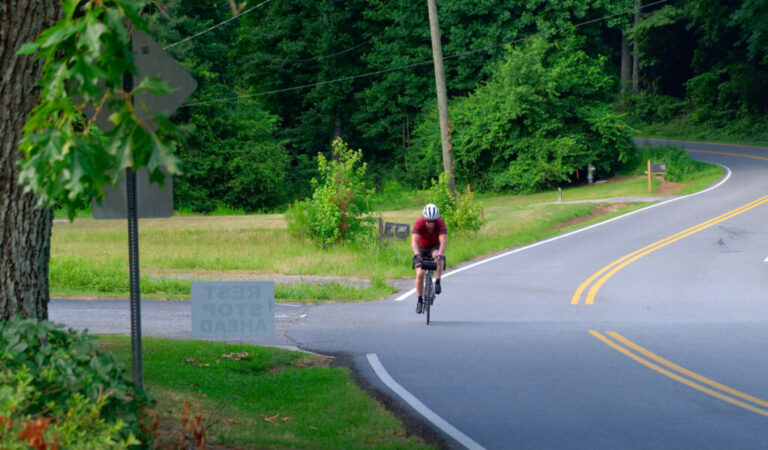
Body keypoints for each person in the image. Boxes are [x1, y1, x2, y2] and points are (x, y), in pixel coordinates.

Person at [412, 203, 447, 314]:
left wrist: (440, 253)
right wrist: (417, 254)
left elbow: (443, 242)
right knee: (420, 274)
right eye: (428, 221)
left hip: (434, 247)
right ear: (424, 219)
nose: (430, 224)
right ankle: (419, 301)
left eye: (433, 221)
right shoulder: (419, 223)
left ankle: (437, 281)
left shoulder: (440, 223)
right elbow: (414, 241)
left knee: (438, 257)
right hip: (422, 248)